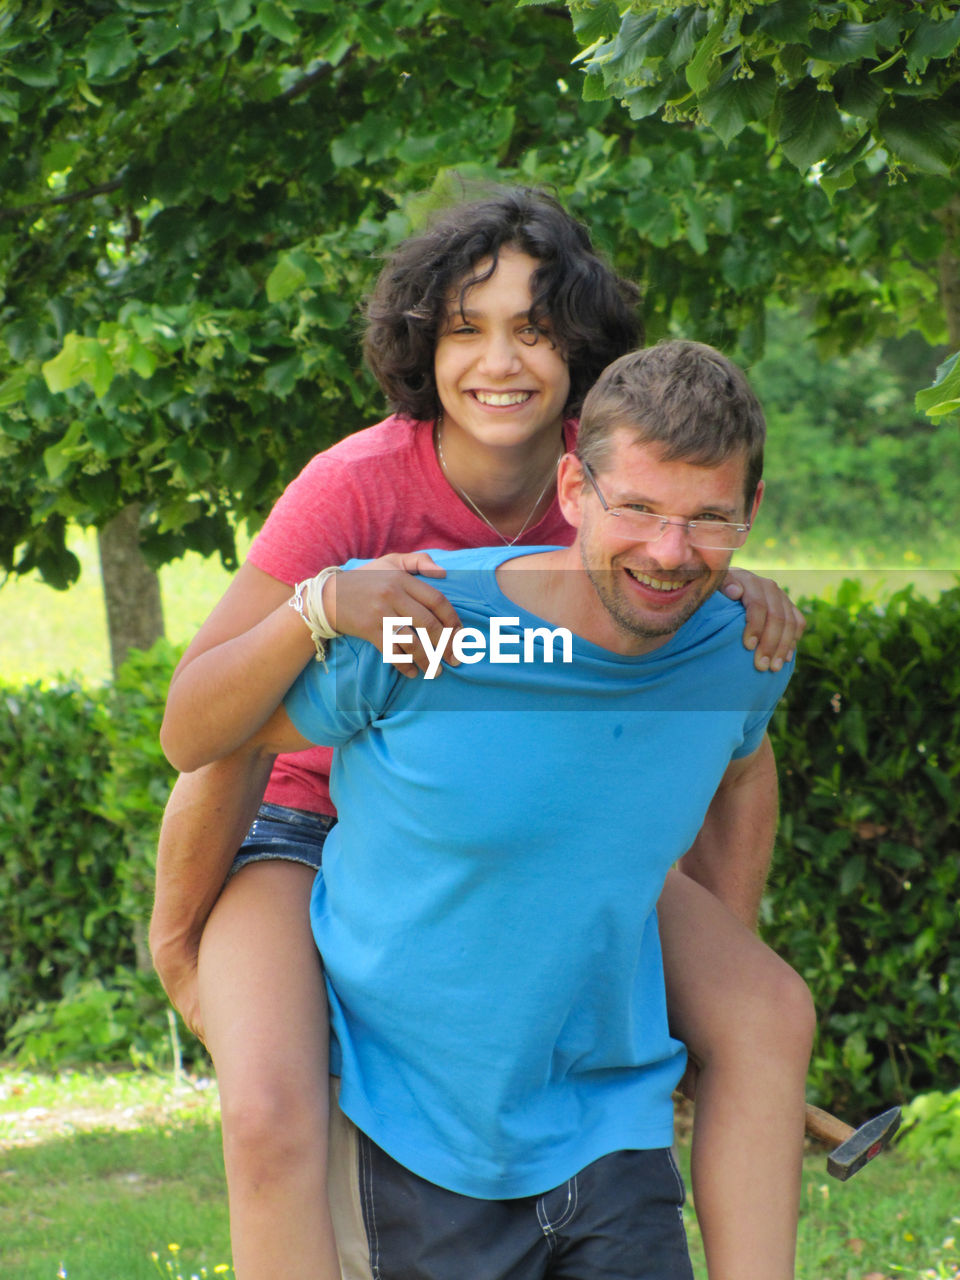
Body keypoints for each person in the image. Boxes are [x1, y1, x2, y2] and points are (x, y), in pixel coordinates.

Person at [152, 190, 811, 1280]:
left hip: (529, 829)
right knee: (271, 1103)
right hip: (313, 815)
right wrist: (323, 603)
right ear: (424, 342)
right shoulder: (357, 484)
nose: (499, 360)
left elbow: (696, 671)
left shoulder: (619, 487)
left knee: (767, 1008)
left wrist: (712, 571)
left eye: (534, 328)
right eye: (467, 327)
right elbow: (206, 728)